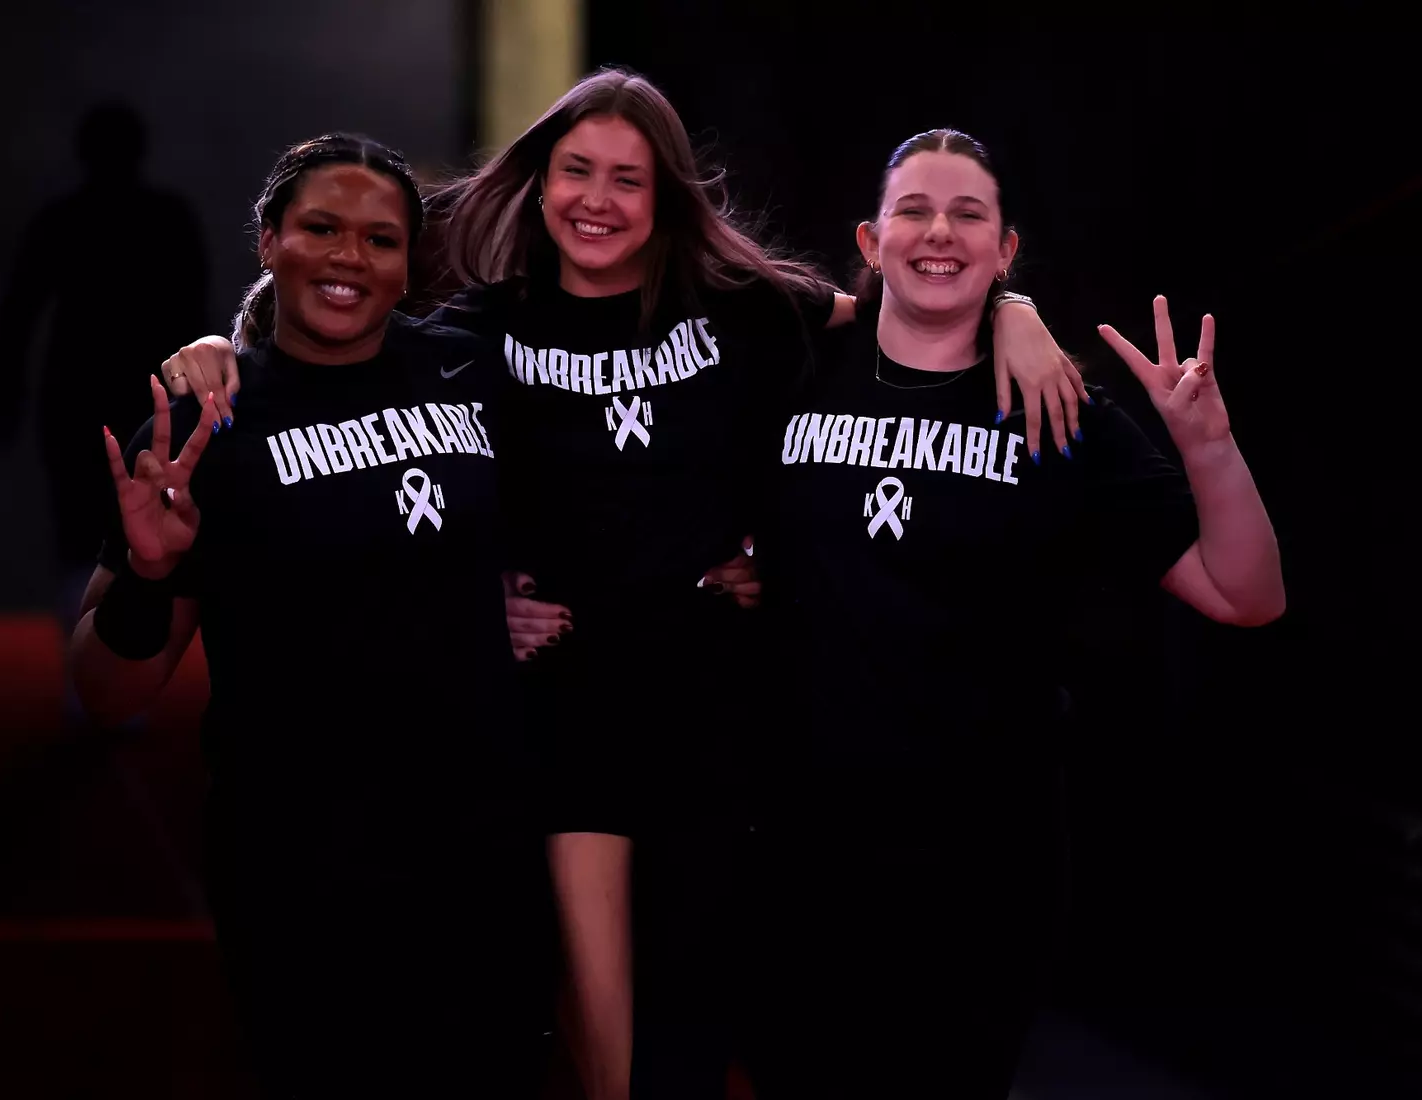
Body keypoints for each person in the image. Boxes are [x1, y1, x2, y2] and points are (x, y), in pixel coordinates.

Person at [156, 69, 1083, 1100]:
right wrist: (215, 343)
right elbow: (318, 315)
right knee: (601, 1038)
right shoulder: (477, 332)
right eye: (577, 171)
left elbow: (898, 314)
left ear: (665, 199)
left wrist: (1018, 307)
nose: (599, 198)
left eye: (628, 180)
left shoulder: (740, 309)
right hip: (568, 711)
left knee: (692, 1015)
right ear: (539, 185)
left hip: (710, 709)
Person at [747, 129, 1285, 1099]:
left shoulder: (1055, 404)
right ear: (869, 243)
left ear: (1006, 251)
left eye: (967, 214)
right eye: (913, 209)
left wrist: (1209, 446)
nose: (938, 231)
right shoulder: (793, 370)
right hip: (801, 850)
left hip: (981, 858)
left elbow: (1245, 593)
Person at [68, 134, 549, 1099]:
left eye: (379, 239)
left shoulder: (471, 369)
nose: (348, 257)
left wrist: (734, 558)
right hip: (297, 862)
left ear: (409, 262)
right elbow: (106, 684)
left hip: (479, 846)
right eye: (322, 229)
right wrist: (154, 572)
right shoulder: (204, 421)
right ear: (269, 242)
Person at [0, 102, 210, 635]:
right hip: (125, 393)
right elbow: (196, 312)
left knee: (93, 527)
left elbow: (17, 315)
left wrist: (4, 391)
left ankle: (101, 649)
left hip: (92, 393)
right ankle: (102, 648)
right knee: (115, 524)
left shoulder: (69, 219)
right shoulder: (163, 217)